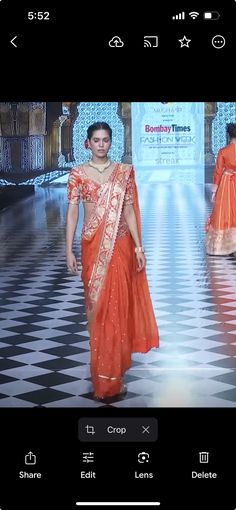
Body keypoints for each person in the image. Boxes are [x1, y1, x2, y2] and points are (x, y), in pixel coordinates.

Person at [66, 121, 159, 400]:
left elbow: (129, 211)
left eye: (106, 140)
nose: (101, 145)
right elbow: (72, 212)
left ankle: (113, 376)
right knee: (99, 310)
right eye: (96, 140)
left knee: (117, 309)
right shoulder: (78, 174)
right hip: (93, 247)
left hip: (119, 245)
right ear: (88, 143)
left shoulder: (124, 173)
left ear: (111, 142)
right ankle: (101, 375)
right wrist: (67, 248)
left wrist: (139, 247)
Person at [206, 123, 236, 255]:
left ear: (228, 135)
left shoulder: (223, 151)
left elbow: (217, 172)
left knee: (225, 213)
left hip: (227, 184)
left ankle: (225, 246)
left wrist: (214, 192)